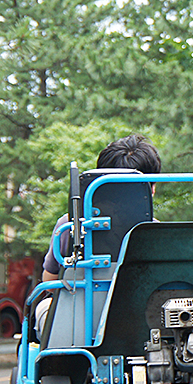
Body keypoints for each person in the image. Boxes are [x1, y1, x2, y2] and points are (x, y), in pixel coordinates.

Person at [35, 135, 161, 332]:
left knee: (43, 307)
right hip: (142, 320)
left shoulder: (70, 225)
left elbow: (50, 283)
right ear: (152, 189)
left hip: (79, 320)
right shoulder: (159, 232)